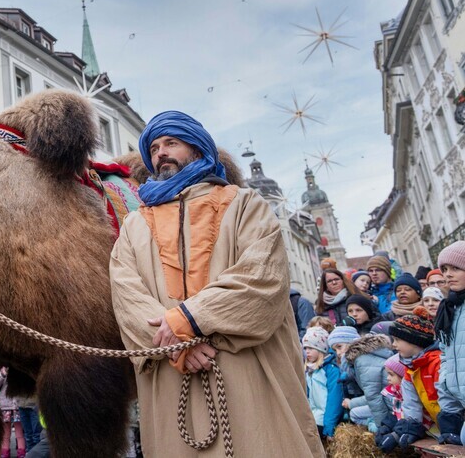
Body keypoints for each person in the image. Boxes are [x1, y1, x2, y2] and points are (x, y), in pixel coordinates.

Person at [110, 111, 322, 456]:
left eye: (171, 142)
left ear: (197, 148)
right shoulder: (135, 224)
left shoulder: (244, 204)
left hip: (245, 371)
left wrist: (188, 319)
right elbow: (126, 296)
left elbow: (262, 278)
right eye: (154, 148)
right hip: (172, 371)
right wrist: (178, 342)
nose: (160, 152)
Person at [380, 308, 442, 452]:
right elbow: (411, 404)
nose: (393, 345)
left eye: (397, 340)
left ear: (414, 341)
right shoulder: (411, 369)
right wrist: (409, 429)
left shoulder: (437, 363)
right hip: (438, 424)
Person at [433, 241, 465, 445]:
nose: (448, 274)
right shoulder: (449, 308)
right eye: (444, 269)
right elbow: (445, 353)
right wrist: (446, 382)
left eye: (456, 268)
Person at [341, 332, 393, 432]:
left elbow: (374, 397)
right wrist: (352, 403)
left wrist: (383, 427)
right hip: (391, 400)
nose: (338, 353)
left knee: (358, 416)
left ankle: (374, 425)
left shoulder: (361, 363)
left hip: (392, 406)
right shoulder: (372, 355)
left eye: (339, 347)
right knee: (354, 413)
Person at [303, 327, 343, 440]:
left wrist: (329, 427)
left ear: (321, 348)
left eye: (311, 347)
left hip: (323, 421)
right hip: (311, 419)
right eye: (305, 348)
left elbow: (334, 400)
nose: (307, 351)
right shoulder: (309, 369)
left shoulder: (331, 370)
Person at [375, 355, 406, 450]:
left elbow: (415, 420)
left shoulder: (412, 396)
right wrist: (386, 426)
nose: (388, 378)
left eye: (391, 374)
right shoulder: (396, 394)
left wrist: (396, 435)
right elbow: (396, 414)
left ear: (403, 376)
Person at [0, 367, 25, 458]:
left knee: (19, 434)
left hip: (17, 407)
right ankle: (5, 454)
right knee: (5, 435)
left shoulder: (18, 370)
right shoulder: (1, 370)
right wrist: (3, 373)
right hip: (5, 407)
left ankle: (21, 454)